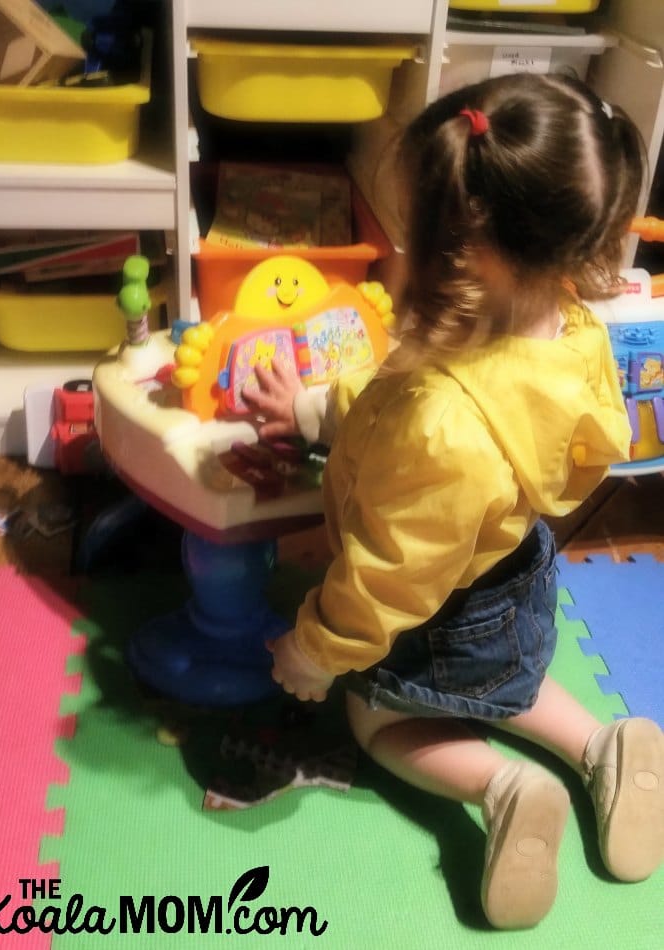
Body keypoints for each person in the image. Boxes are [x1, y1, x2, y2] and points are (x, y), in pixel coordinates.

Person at [242, 72, 664, 930]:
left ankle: (504, 787)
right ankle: (602, 745)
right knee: (511, 682)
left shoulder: (443, 422)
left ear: (464, 249)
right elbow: (392, 384)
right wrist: (313, 408)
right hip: (519, 586)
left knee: (379, 722)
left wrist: (315, 655)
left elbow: (388, 582)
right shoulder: (574, 326)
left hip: (440, 618)